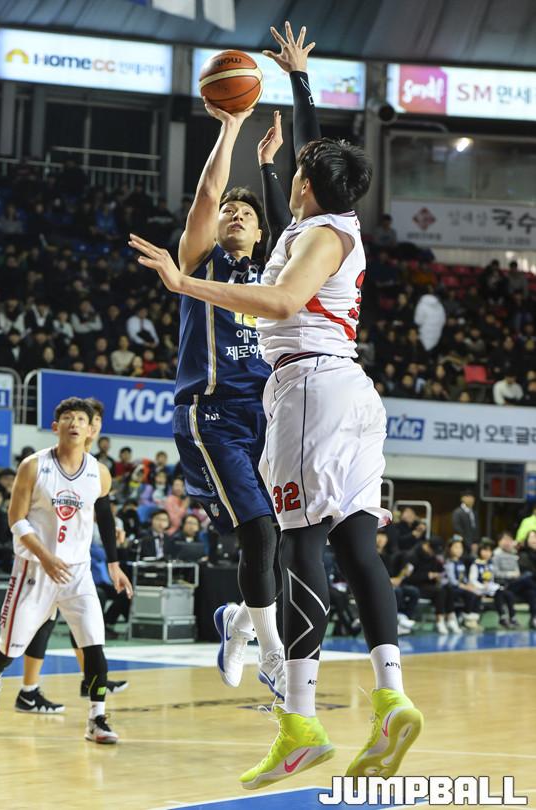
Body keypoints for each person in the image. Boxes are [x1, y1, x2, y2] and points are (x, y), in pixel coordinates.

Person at [130, 20, 422, 789]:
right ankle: (383, 692)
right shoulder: (323, 223)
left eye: (294, 174)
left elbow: (286, 292)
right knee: (343, 543)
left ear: (299, 192)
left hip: (303, 392)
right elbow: (305, 163)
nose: (287, 177)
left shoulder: (299, 244)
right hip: (322, 396)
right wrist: (288, 90)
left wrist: (184, 281)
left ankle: (296, 711)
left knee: (296, 544)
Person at [132, 25, 324, 705]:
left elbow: (295, 214)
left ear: (262, 230)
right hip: (211, 414)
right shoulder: (200, 264)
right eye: (230, 214)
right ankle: (272, 654)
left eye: (247, 213)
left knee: (277, 543)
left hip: (268, 417)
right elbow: (208, 198)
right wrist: (232, 127)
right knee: (261, 531)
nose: (235, 216)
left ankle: (238, 621)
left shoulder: (274, 274)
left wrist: (274, 163)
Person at [0, 398, 132, 742]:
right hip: (34, 569)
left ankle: (97, 718)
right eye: (67, 418)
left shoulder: (100, 473)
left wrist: (114, 564)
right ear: (56, 427)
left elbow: (105, 517)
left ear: (90, 430)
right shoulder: (33, 466)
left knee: (94, 643)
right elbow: (16, 519)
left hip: (77, 573)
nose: (74, 423)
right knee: (7, 651)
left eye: (81, 419)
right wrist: (45, 556)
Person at [468, 542, 516, 628]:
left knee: (507, 594)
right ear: (480, 551)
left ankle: (511, 617)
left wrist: (492, 585)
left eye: (489, 551)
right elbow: (472, 580)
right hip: (479, 589)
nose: (487, 553)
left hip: (490, 589)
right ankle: (502, 617)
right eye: (485, 550)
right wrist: (482, 586)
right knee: (498, 593)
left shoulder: (490, 564)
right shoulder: (475, 564)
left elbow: (492, 579)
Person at [451, 490, 480, 557]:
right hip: (463, 544)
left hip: (474, 545)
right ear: (462, 498)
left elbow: (476, 529)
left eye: (472, 497)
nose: (471, 499)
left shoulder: (474, 512)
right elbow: (457, 529)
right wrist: (469, 544)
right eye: (468, 497)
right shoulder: (457, 512)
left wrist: (476, 542)